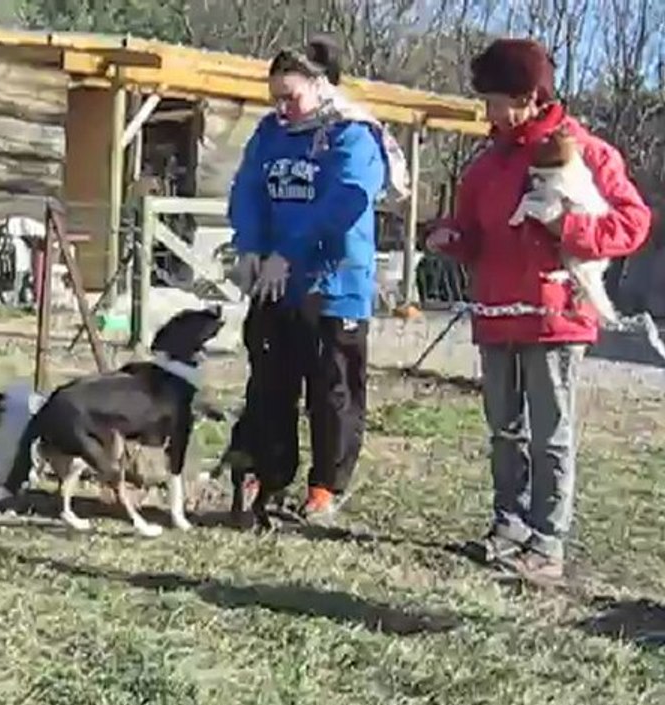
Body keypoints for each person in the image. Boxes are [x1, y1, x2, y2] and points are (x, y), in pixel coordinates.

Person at [425, 38, 651, 581]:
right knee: (504, 429)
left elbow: (633, 223)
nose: (489, 112)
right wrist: (451, 240)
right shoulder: (486, 165)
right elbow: (477, 237)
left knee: (550, 432)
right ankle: (510, 525)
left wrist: (566, 228)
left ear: (529, 96)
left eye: (497, 100)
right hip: (497, 311)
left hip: (556, 313)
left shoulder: (583, 153)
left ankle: (548, 541)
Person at [227, 37, 409, 523]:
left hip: (334, 282)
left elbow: (344, 201)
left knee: (333, 390)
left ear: (322, 86)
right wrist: (249, 244)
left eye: (292, 97)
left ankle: (327, 485)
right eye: (275, 98)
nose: (283, 108)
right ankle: (267, 472)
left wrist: (288, 252)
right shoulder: (270, 133)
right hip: (274, 282)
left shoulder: (353, 136)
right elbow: (248, 188)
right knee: (270, 383)